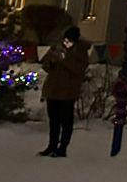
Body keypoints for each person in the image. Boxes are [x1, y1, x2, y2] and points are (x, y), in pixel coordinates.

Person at [38, 26, 90, 157]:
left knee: (66, 121)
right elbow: (45, 64)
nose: (66, 43)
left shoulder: (80, 51)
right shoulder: (57, 47)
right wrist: (51, 60)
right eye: (65, 40)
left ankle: (62, 148)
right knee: (53, 120)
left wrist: (64, 60)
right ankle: (52, 145)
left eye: (69, 40)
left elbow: (78, 69)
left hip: (68, 91)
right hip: (53, 89)